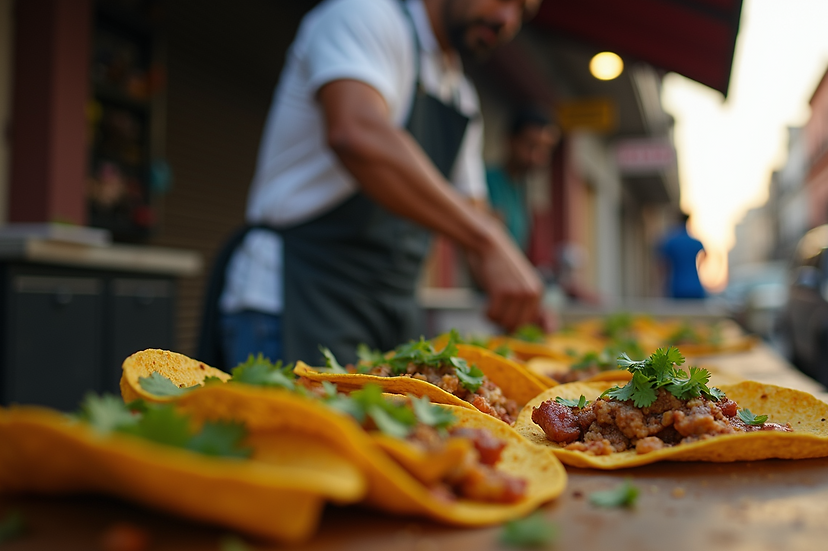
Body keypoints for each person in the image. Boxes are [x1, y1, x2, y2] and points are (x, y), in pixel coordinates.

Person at [197, 0, 546, 368]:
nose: (507, 20)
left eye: (523, 13)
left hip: (390, 317)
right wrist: (487, 240)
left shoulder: (462, 97)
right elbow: (357, 133)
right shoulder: (365, 15)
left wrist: (522, 293)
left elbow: (472, 213)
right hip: (294, 301)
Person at [485, 107, 559, 252]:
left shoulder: (520, 189)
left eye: (546, 150)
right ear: (510, 140)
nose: (537, 156)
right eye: (531, 146)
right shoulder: (486, 182)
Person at [657, 212, 707, 299]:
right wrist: (699, 267)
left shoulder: (671, 242)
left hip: (677, 286)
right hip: (695, 286)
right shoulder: (694, 242)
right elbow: (706, 254)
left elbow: (662, 264)